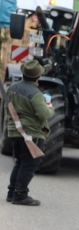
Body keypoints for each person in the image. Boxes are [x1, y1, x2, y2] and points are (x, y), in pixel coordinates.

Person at [5, 60, 54, 206]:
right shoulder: (36, 94)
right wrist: (50, 107)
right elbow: (43, 114)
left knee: (20, 162)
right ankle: (20, 195)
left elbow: (8, 108)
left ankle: (12, 193)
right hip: (32, 134)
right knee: (29, 164)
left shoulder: (12, 88)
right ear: (38, 77)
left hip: (15, 131)